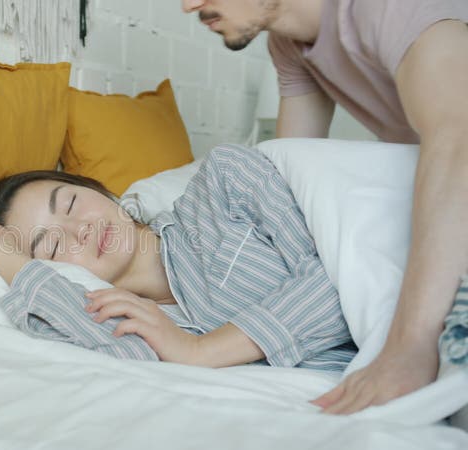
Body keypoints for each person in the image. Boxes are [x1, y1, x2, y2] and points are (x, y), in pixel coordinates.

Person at [180, 0, 468, 414]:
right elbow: (290, 178)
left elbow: (458, 141)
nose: (189, 5)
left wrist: (410, 345)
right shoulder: (288, 45)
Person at [0, 144, 356, 371]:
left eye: (69, 203)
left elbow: (342, 274)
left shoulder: (224, 183)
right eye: (52, 246)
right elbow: (119, 357)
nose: (78, 229)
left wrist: (204, 350)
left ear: (99, 189)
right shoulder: (140, 324)